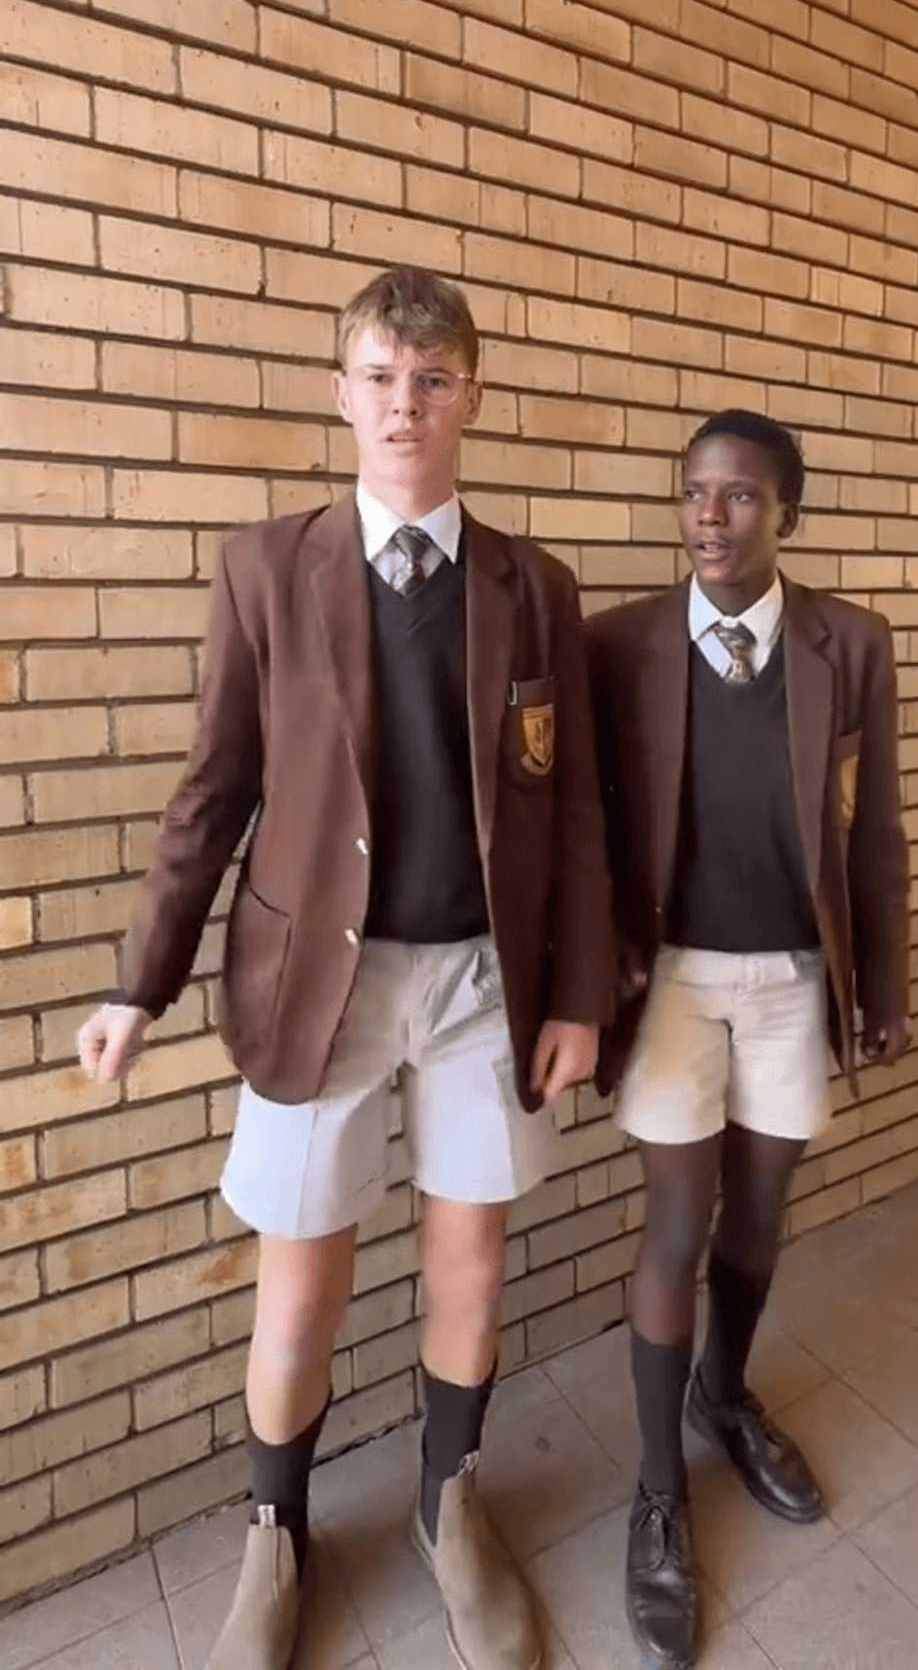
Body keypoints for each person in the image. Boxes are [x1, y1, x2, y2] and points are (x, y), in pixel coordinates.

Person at [76, 266, 614, 1670]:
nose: (404, 404)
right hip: (323, 989)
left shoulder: (536, 587)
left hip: (485, 989)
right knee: (300, 1287)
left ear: (471, 397)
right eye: (379, 376)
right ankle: (277, 1533)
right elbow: (214, 793)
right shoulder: (266, 570)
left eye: (432, 379)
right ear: (342, 393)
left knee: (470, 1271)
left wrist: (576, 995)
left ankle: (451, 1503)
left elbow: (578, 809)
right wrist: (141, 981)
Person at [587, 409, 910, 1670]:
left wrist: (877, 980)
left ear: (787, 513)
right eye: (693, 495)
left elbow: (872, 827)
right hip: (669, 982)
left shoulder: (851, 643)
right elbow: (578, 824)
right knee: (677, 1226)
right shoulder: (620, 644)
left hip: (789, 977)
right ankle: (659, 1490)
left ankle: (727, 1395)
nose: (710, 517)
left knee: (762, 1221)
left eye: (738, 497)